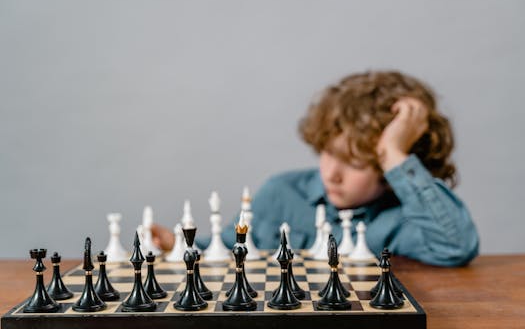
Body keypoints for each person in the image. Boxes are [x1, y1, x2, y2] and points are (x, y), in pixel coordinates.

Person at [153, 70, 479, 267]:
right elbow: (227, 248)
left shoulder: (402, 218)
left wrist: (394, 153)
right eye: (328, 153)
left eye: (355, 162)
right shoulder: (281, 194)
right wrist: (178, 244)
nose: (333, 174)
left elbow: (455, 247)